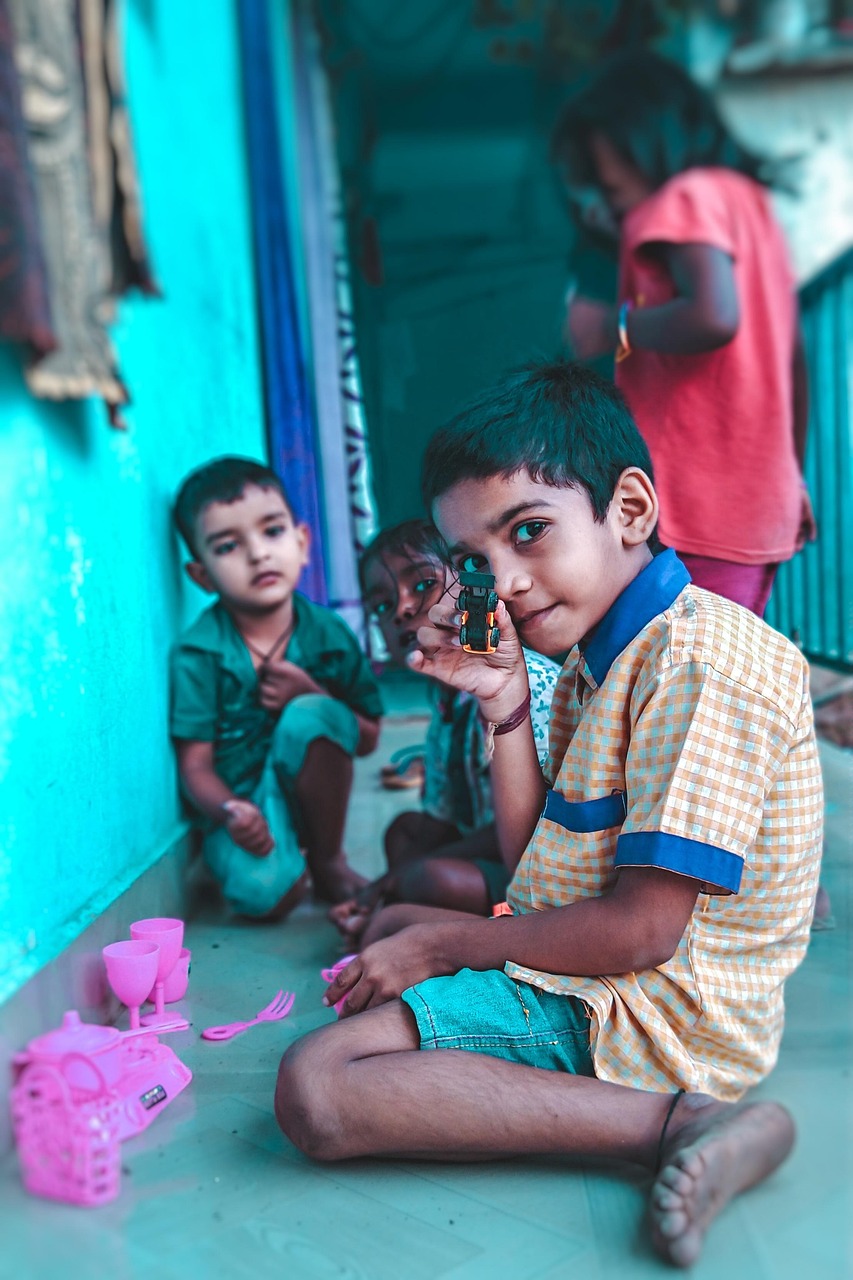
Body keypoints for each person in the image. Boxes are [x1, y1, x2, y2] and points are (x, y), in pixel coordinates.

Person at [274, 362, 823, 1269]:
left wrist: (444, 949)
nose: (506, 583)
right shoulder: (590, 662)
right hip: (609, 973)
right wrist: (505, 705)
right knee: (397, 922)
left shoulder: (699, 661)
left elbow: (643, 932)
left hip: (655, 1011)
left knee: (317, 1085)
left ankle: (677, 1124)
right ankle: (494, 1039)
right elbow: (534, 867)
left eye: (528, 531)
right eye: (475, 563)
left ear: (629, 510)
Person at [553, 48, 817, 619]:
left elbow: (713, 317)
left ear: (644, 139)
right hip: (756, 505)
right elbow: (793, 359)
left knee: (685, 662)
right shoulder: (750, 208)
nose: (599, 190)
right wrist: (792, 477)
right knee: (725, 661)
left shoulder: (680, 197)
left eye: (604, 177)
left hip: (696, 506)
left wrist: (613, 324)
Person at [330, 519, 560, 944]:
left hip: (538, 864)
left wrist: (396, 879)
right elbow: (441, 819)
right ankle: (403, 913)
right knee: (404, 831)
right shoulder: (446, 707)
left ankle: (451, 926)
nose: (401, 609)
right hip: (488, 854)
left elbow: (533, 823)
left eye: (423, 585)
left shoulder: (522, 684)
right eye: (381, 606)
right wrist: (385, 882)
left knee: (427, 877)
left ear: (473, 589)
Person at [169, 456, 382, 916]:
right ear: (202, 575)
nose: (258, 554)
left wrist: (311, 693)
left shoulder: (328, 634)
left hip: (316, 798)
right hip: (246, 806)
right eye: (228, 546)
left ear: (302, 543)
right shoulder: (199, 653)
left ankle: (327, 860)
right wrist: (231, 812)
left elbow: (367, 739)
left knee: (313, 713)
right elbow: (195, 765)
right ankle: (278, 861)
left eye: (272, 531)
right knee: (265, 895)